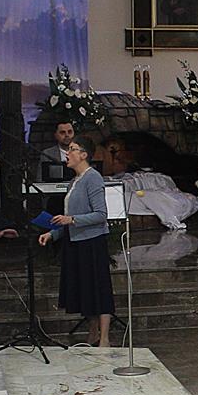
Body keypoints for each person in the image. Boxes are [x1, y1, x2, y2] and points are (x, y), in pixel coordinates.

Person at [38, 136, 112, 346]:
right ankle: (92, 332)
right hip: (76, 241)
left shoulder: (93, 178)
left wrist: (71, 219)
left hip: (92, 242)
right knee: (86, 290)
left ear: (83, 155)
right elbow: (68, 219)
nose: (67, 154)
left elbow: (100, 215)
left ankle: (105, 337)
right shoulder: (74, 181)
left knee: (99, 289)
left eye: (72, 149)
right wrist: (52, 234)